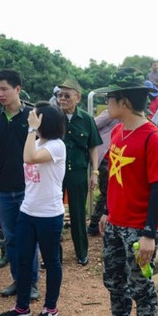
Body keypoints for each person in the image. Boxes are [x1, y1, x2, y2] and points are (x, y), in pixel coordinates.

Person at [84, 68, 158, 316]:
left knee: (141, 287)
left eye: (110, 97)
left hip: (140, 229)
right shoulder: (120, 131)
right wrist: (106, 211)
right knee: (115, 282)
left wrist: (149, 234)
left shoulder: (154, 138)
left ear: (124, 101)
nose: (107, 102)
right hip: (116, 223)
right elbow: (114, 177)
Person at [0, 104, 67, 316]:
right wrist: (32, 133)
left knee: (51, 261)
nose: (30, 118)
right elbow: (28, 155)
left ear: (43, 121)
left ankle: (51, 307)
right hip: (28, 212)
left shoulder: (57, 146)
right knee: (23, 258)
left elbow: (29, 158)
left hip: (49, 214)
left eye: (34, 116)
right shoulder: (36, 143)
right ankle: (22, 306)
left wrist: (30, 130)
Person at [0, 69, 40, 299]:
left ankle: (32, 283)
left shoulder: (33, 117)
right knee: (11, 238)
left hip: (29, 187)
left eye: (4, 89)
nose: (0, 94)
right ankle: (18, 280)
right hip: (3, 188)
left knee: (28, 237)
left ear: (18, 89)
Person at [56, 79, 102, 266]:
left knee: (77, 213)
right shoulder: (53, 117)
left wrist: (95, 172)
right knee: (52, 214)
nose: (62, 99)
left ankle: (81, 252)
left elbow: (92, 148)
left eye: (67, 95)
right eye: (60, 95)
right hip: (55, 172)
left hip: (78, 171)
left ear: (77, 97)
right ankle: (53, 255)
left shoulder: (87, 119)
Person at [87, 108, 120, 237]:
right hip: (106, 157)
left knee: (109, 191)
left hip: (114, 157)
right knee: (107, 191)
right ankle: (94, 224)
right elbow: (92, 124)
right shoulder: (111, 113)